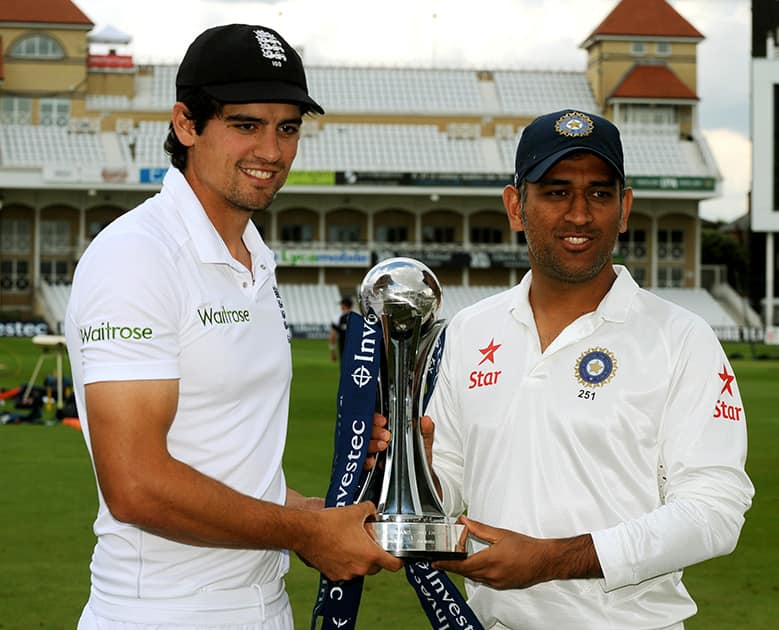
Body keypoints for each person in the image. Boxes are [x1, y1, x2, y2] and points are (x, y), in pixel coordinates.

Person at [65, 24, 401, 630]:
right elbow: (135, 484)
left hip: (260, 603)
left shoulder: (254, 255)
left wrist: (322, 515)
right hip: (160, 614)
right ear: (186, 124)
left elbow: (230, 464)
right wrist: (304, 531)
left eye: (288, 127)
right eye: (246, 125)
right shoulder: (136, 255)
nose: (272, 151)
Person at [418, 109, 754, 629]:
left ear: (624, 209)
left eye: (599, 193)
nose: (580, 214)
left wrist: (554, 558)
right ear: (515, 206)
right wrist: (415, 473)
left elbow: (715, 511)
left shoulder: (681, 338)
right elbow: (448, 487)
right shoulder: (470, 329)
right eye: (555, 192)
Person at [329, 296, 353, 362]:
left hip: (343, 349)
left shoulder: (338, 318)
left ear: (343, 305)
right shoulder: (358, 317)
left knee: (345, 370)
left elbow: (332, 336)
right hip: (357, 351)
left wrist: (333, 351)